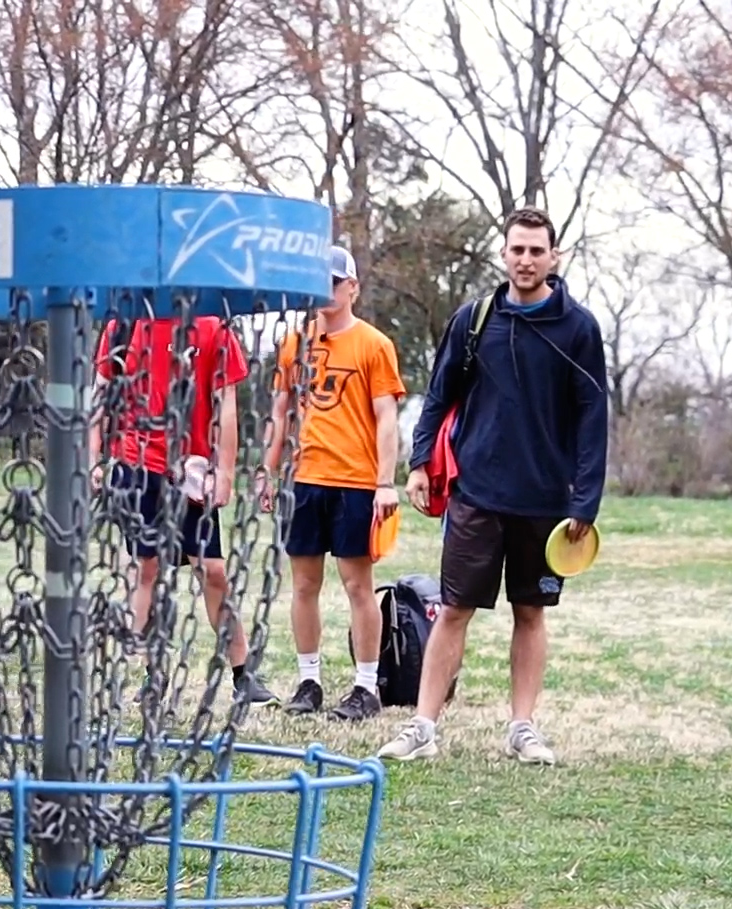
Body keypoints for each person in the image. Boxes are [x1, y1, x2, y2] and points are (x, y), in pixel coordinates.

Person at [380, 206, 608, 765]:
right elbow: (437, 395)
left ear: (553, 257)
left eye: (537, 250)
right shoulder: (475, 320)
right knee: (454, 608)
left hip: (547, 501)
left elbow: (592, 417)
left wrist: (586, 498)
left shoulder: (579, 329)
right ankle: (423, 727)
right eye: (517, 249)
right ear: (503, 254)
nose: (526, 259)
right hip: (476, 493)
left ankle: (522, 728)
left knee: (530, 611)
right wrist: (416, 463)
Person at [92, 313, 280, 708]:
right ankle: (151, 675)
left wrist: (225, 472)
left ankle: (243, 674)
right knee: (147, 568)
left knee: (212, 570)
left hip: (192, 469)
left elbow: (226, 404)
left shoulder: (212, 325)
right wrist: (92, 459)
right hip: (136, 461)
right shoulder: (123, 325)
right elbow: (99, 395)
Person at [257, 246, 405, 721]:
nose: (327, 292)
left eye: (336, 283)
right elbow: (279, 412)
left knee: (358, 585)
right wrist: (267, 468)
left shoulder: (374, 345)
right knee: (303, 585)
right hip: (305, 478)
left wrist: (385, 481)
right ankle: (309, 680)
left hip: (356, 481)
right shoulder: (294, 344)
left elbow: (387, 418)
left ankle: (365, 686)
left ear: (353, 288)